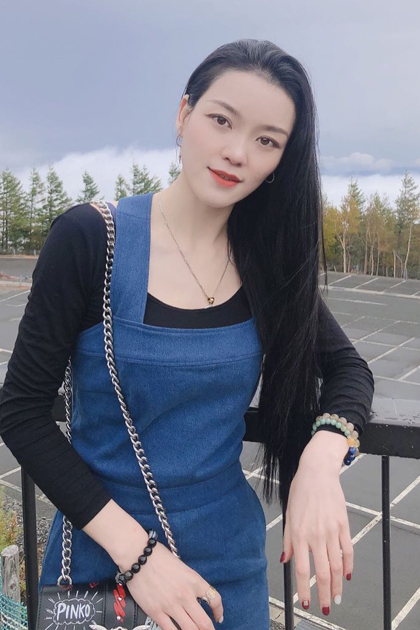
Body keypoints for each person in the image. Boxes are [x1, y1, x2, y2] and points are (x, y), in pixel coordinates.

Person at [0, 39, 374, 630]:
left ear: (282, 161)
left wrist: (322, 459)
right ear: (183, 114)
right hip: (103, 566)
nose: (236, 152)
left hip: (229, 572)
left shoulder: (265, 263)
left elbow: (349, 369)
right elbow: (21, 410)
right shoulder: (91, 240)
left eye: (267, 140)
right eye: (221, 120)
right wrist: (141, 558)